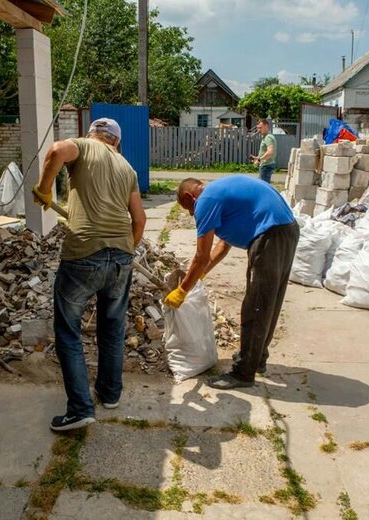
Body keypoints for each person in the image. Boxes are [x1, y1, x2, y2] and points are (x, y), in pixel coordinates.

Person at [33, 118, 147, 431]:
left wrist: (45, 190)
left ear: (92, 134)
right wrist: (123, 252)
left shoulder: (82, 146)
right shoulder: (127, 167)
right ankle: (110, 394)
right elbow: (140, 220)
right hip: (121, 258)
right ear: (116, 142)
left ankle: (80, 408)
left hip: (83, 253)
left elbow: (56, 150)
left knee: (68, 330)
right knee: (112, 328)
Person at [164, 175, 299, 389]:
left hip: (270, 236)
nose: (191, 214)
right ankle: (257, 358)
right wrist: (201, 274)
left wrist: (181, 291)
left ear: (190, 196)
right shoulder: (220, 193)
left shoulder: (205, 201)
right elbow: (222, 246)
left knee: (255, 306)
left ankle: (243, 373)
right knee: (268, 301)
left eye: (188, 208)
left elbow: (200, 256)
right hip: (285, 230)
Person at [250, 118, 277, 183]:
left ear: (266, 126)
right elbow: (266, 152)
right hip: (266, 165)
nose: (258, 130)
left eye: (260, 128)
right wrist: (257, 158)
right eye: (258, 128)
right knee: (263, 186)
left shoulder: (268, 137)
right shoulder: (265, 137)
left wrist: (259, 160)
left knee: (263, 187)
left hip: (266, 166)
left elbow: (270, 152)